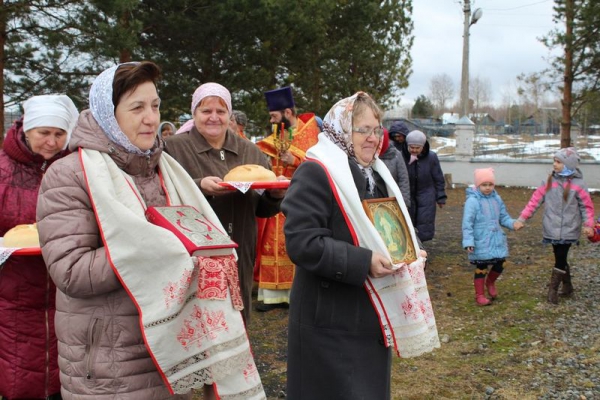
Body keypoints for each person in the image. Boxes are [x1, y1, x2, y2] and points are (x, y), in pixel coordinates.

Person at [36, 63, 265, 399]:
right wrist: (158, 244)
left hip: (174, 353)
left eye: (155, 106)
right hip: (110, 362)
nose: (151, 118)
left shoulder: (163, 169)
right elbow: (70, 272)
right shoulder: (70, 175)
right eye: (137, 108)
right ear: (108, 114)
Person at [281, 92, 440, 400]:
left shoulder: (376, 174)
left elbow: (394, 223)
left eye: (376, 129)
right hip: (329, 318)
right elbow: (302, 242)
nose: (372, 138)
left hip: (370, 312)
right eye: (362, 129)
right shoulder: (317, 172)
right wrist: (363, 261)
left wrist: (411, 248)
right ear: (341, 130)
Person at [165, 82, 285, 323]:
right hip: (193, 255)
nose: (214, 118)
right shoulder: (173, 149)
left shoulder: (251, 152)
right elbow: (163, 197)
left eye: (220, 112)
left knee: (237, 317)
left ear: (229, 114)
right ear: (194, 113)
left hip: (240, 248)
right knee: (198, 321)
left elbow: (262, 209)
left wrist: (276, 195)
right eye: (205, 111)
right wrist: (199, 186)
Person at [0, 95, 78, 400]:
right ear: (26, 129)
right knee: (19, 375)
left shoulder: (71, 168)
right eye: (44, 132)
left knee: (64, 375)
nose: (51, 141)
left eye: (59, 134)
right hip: (13, 293)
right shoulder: (3, 172)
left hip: (64, 290)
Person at [254, 87, 320, 311]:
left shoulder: (310, 135)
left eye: (274, 116)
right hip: (276, 197)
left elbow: (317, 167)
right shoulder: (276, 137)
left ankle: (294, 295)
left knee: (295, 246)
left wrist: (294, 159)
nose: (271, 120)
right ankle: (271, 295)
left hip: (300, 198)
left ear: (288, 112)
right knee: (270, 244)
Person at [514, 147, 595, 304]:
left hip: (570, 228)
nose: (554, 164)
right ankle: (568, 286)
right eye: (554, 161)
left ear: (568, 164)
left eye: (558, 162)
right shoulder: (549, 181)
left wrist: (588, 225)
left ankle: (553, 291)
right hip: (551, 227)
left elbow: (587, 207)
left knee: (560, 257)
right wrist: (522, 218)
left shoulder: (579, 184)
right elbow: (535, 201)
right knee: (559, 255)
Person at [462, 168, 520, 306]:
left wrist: (513, 223)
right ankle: (480, 295)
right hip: (480, 239)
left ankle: (491, 282)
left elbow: (503, 217)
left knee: (501, 263)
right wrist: (469, 241)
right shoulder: (473, 201)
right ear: (478, 185)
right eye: (484, 185)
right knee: (481, 267)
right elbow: (467, 223)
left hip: (496, 239)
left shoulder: (497, 199)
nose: (487, 188)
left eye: (490, 184)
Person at [401, 130, 447, 242]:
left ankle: (420, 247)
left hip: (426, 195)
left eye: (417, 148)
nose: (414, 150)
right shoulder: (401, 156)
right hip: (408, 194)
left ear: (423, 147)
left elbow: (438, 178)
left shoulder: (431, 157)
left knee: (424, 221)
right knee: (407, 222)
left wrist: (440, 196)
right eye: (411, 147)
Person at [379, 127, 411, 208]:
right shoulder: (369, 155)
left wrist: (404, 203)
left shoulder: (396, 155)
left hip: (393, 199)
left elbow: (403, 180)